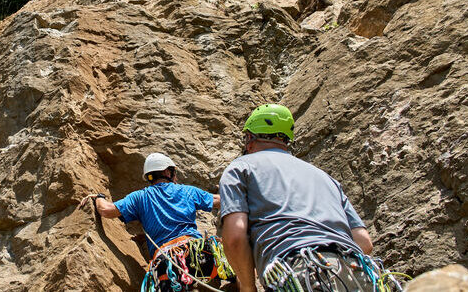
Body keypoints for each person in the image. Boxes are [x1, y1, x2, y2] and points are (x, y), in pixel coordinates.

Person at [219, 103, 391, 292]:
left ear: (250, 139)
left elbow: (235, 237)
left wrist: (248, 287)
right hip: (358, 273)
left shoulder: (240, 167)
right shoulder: (326, 178)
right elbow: (364, 242)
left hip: (300, 272)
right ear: (285, 140)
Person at [88, 153, 235, 291]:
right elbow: (219, 201)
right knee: (237, 264)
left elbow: (106, 210)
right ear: (167, 172)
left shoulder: (140, 197)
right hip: (197, 254)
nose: (176, 177)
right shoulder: (186, 191)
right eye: (174, 172)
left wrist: (99, 197)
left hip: (166, 264)